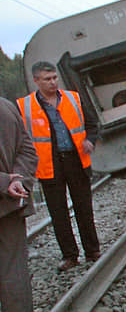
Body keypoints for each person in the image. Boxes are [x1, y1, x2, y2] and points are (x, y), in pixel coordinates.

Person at [17, 61, 101, 271]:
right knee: (58, 213)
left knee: (84, 208)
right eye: (47, 79)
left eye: (54, 77)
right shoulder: (24, 106)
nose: (53, 82)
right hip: (48, 165)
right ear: (36, 81)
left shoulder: (73, 98)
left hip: (76, 160)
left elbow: (92, 123)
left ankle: (92, 251)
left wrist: (90, 139)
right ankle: (70, 255)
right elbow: (20, 138)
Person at [1, 97, 38, 312]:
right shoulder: (5, 106)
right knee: (13, 266)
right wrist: (18, 180)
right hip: (10, 204)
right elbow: (28, 150)